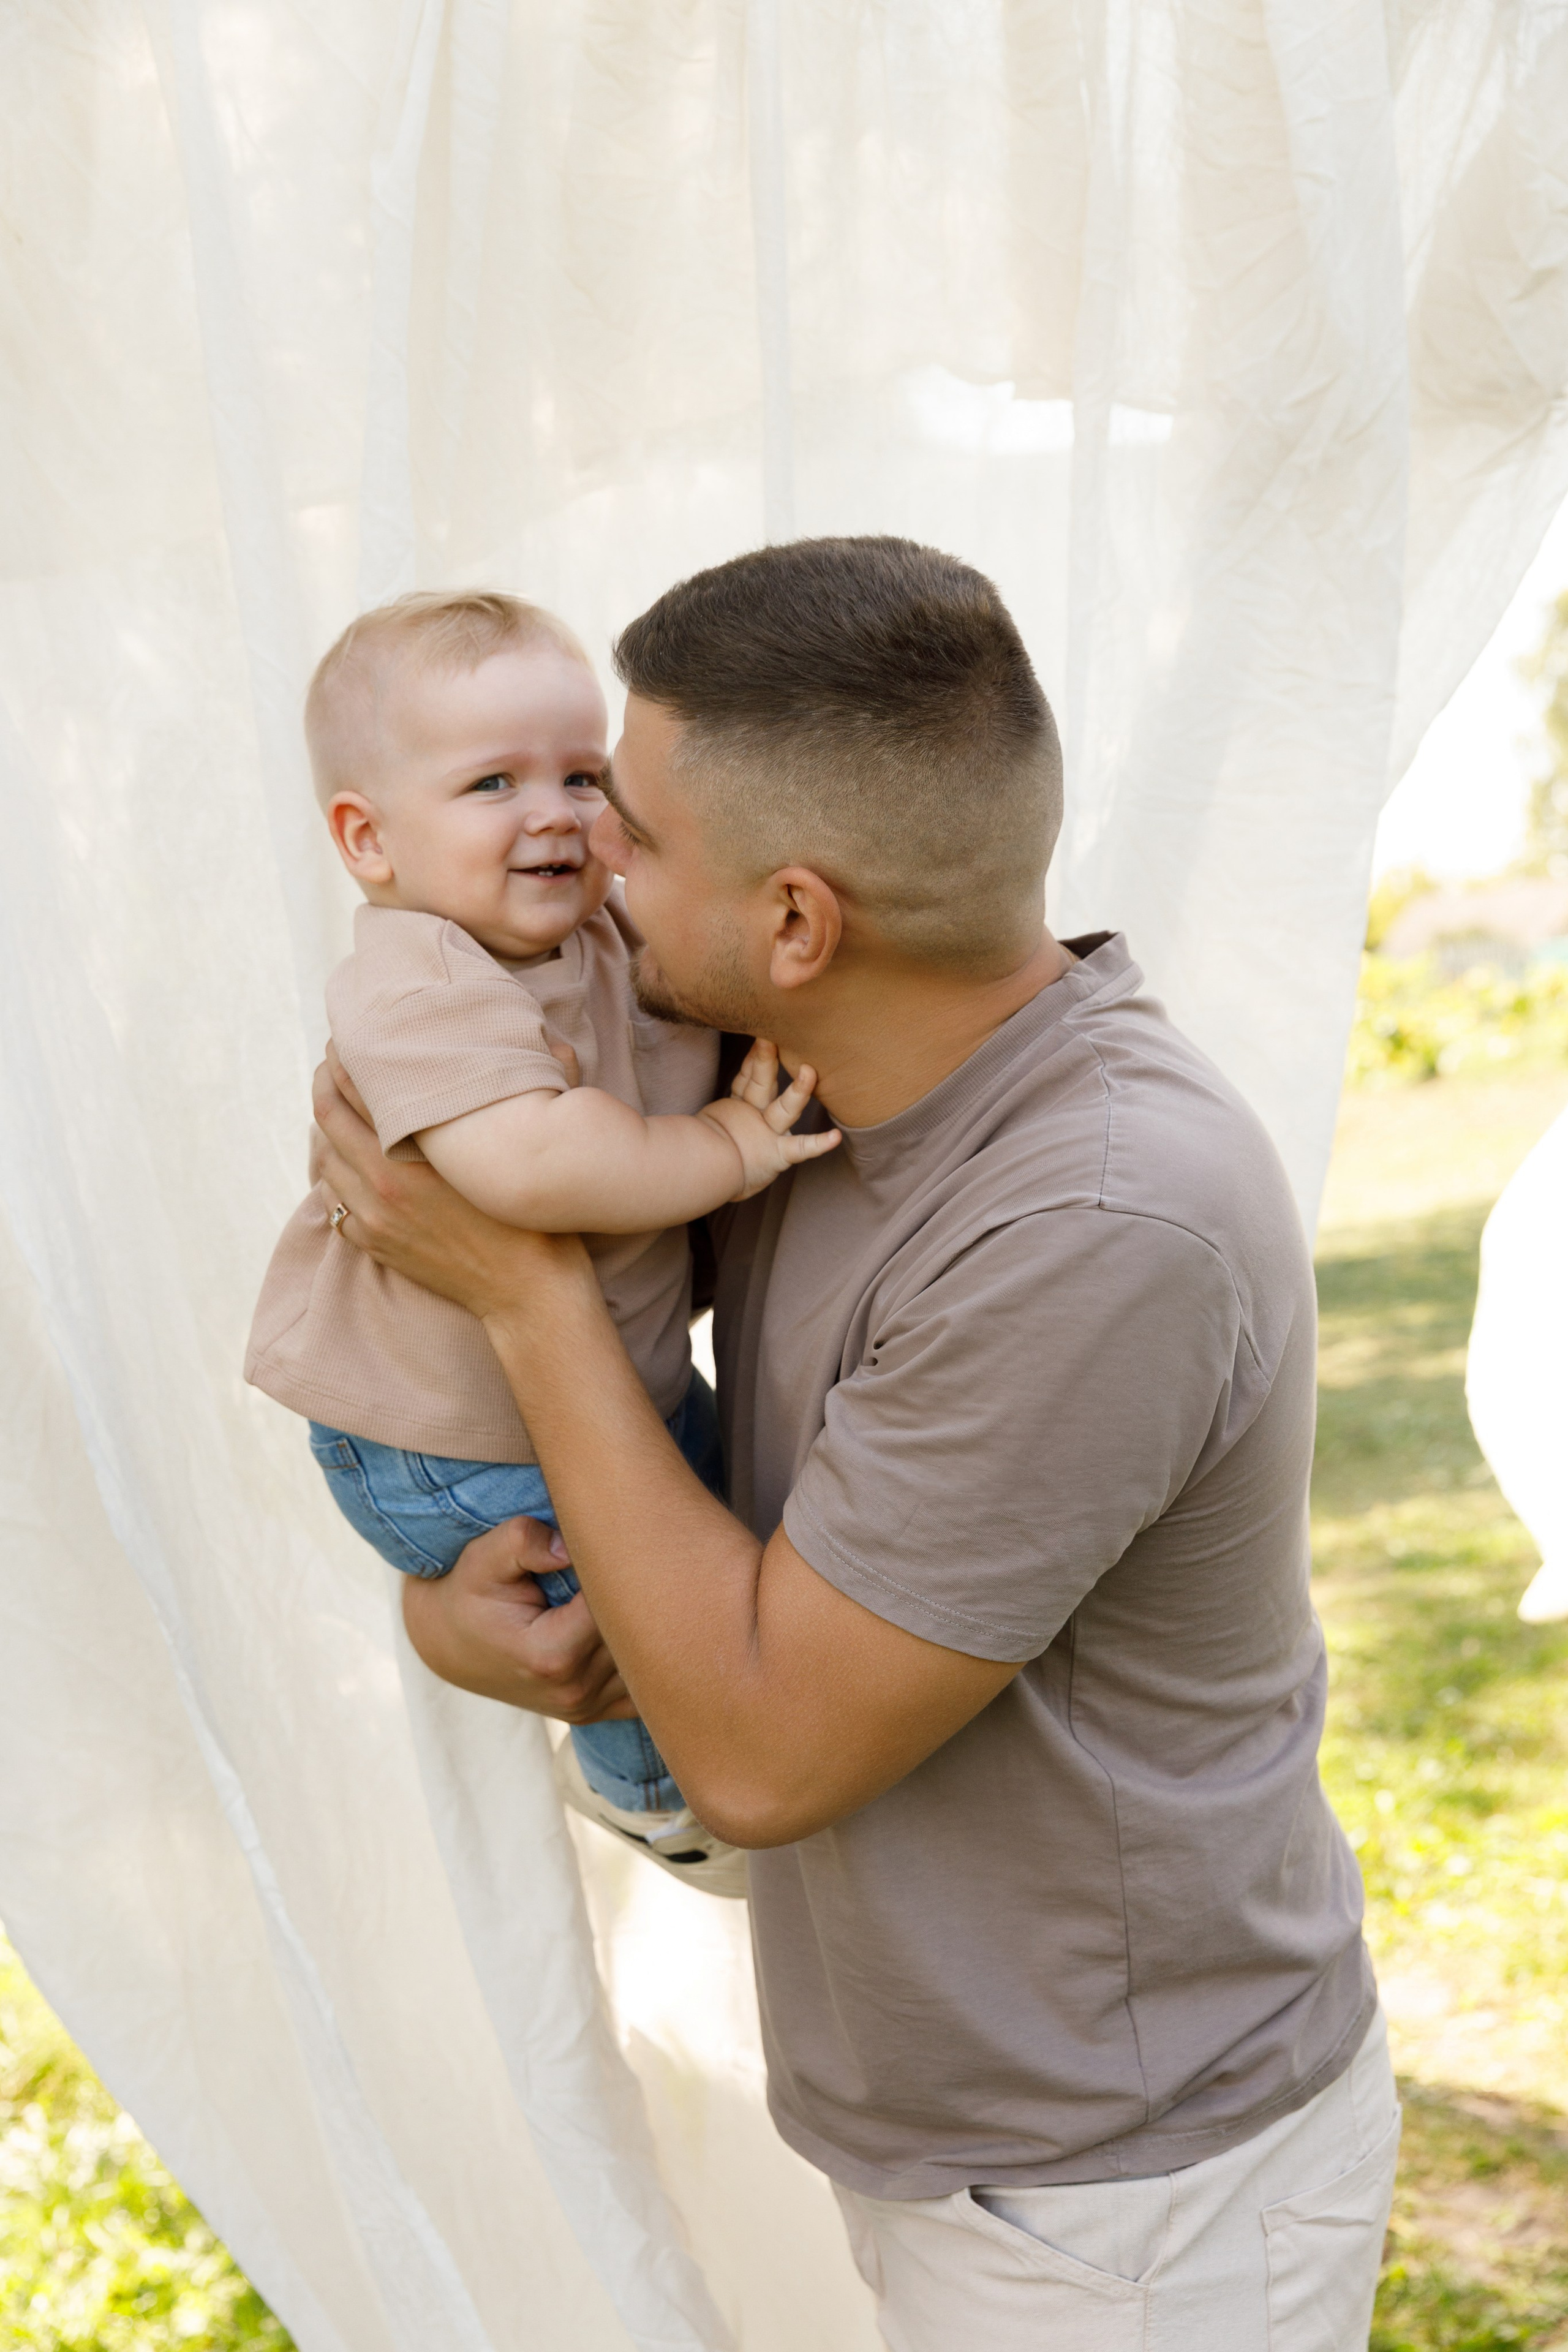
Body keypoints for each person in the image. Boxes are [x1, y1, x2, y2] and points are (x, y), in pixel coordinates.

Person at [311, 537, 1401, 2351]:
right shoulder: (807, 1098)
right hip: (967, 2132)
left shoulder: (1097, 1224)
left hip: (1126, 2196)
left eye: (630, 825)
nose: (589, 859)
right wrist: (460, 1610)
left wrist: (521, 1295)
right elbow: (691, 1536)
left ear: (798, 922)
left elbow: (755, 1755)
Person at [246, 589, 837, 1894]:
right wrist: (727, 1147)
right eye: (491, 783)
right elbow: (532, 1162)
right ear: (367, 840)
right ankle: (660, 1799)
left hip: (599, 1386)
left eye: (581, 775)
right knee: (622, 1614)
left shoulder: (599, 932)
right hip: (456, 1437)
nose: (556, 813)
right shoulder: (418, 979)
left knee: (714, 1546)